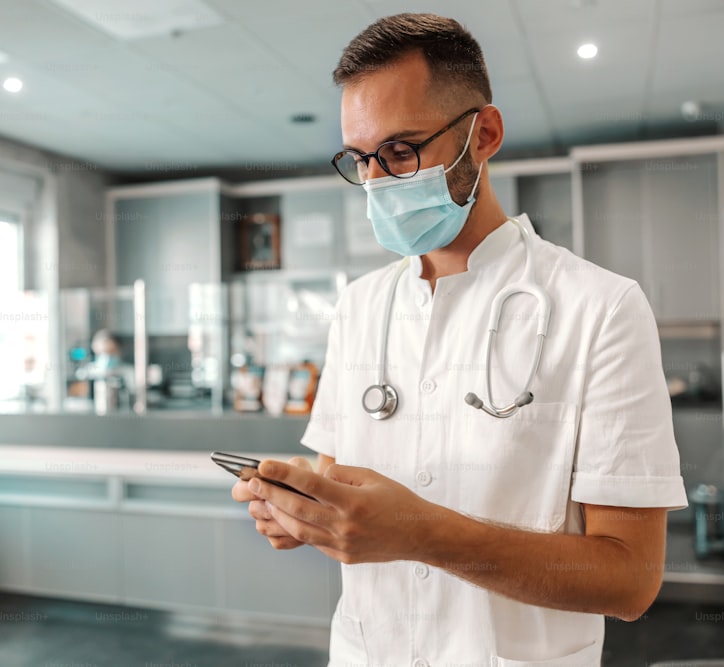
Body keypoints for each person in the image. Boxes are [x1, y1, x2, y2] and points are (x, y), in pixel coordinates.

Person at [231, 13, 687, 666]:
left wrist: (420, 533)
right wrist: (307, 511)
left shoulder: (601, 308)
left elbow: (630, 579)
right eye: (360, 159)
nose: (377, 182)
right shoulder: (361, 306)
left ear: (485, 134)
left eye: (400, 151)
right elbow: (342, 487)